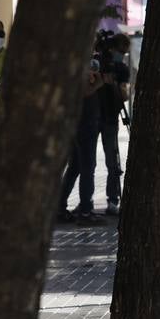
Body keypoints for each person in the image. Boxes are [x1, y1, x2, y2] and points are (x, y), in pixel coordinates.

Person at [58, 49, 105, 223]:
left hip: (77, 121)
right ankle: (86, 211)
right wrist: (99, 83)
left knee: (76, 166)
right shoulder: (76, 64)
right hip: (84, 122)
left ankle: (59, 208)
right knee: (87, 167)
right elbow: (85, 91)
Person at [97, 33, 129, 215]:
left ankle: (113, 200)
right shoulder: (97, 63)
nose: (121, 55)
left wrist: (115, 85)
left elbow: (123, 96)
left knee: (112, 161)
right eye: (120, 51)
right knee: (82, 163)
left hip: (110, 116)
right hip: (94, 115)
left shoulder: (122, 69)